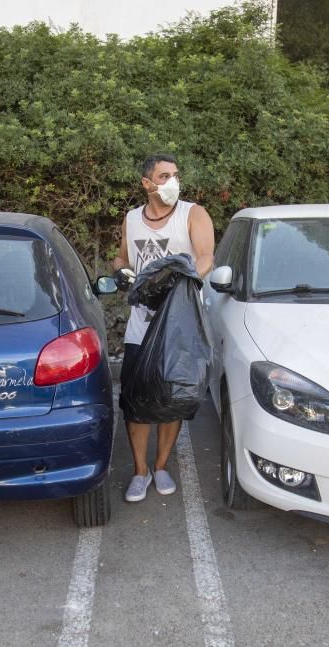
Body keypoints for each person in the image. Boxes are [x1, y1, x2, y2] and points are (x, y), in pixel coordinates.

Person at [113, 153, 215, 502]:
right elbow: (122, 258)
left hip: (179, 327)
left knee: (172, 399)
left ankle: (160, 466)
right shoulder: (131, 220)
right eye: (163, 176)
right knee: (137, 401)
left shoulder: (192, 214)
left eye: (175, 175)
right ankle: (140, 472)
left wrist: (180, 281)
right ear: (146, 184)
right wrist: (121, 273)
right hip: (141, 326)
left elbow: (205, 258)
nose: (172, 181)